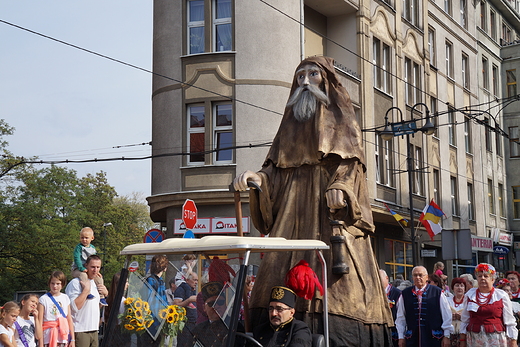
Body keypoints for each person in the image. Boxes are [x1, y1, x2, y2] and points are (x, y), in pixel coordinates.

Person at [233, 56, 393, 346]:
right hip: (290, 219)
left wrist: (342, 189)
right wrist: (256, 180)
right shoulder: (287, 132)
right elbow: (273, 173)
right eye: (300, 76)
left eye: (313, 75)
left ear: (327, 81)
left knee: (340, 286)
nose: (305, 81)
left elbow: (351, 168)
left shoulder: (344, 126)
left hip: (329, 220)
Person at [460, 263, 518, 347]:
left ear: (492, 279)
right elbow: (465, 320)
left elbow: (509, 321)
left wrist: (513, 341)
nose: (482, 278)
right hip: (474, 339)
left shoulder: (501, 295)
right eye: (480, 276)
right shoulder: (470, 295)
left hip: (496, 339)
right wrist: (462, 340)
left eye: (486, 276)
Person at [395, 266, 453, 347]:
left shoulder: (437, 293)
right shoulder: (405, 294)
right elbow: (401, 317)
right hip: (413, 338)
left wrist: (447, 335)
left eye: (420, 275)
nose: (418, 277)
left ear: (427, 277)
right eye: (415, 275)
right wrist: (401, 337)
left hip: (433, 338)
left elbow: (446, 315)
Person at [182, 282, 244, 347]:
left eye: (220, 302)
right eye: (211, 303)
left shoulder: (235, 326)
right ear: (204, 308)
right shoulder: (198, 330)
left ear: (225, 305)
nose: (216, 306)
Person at [65, 255, 108, 347]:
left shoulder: (96, 283)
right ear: (86, 266)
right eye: (92, 267)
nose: (95, 270)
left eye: (98, 267)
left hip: (94, 329)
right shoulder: (76, 283)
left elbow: (96, 306)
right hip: (80, 330)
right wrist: (85, 291)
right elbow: (73, 307)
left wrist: (106, 294)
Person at [70, 228, 107, 307]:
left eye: (86, 238)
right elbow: (77, 259)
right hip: (78, 269)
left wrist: (97, 271)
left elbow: (94, 260)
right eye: (82, 237)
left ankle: (101, 297)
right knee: (83, 276)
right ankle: (87, 292)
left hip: (88, 268)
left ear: (92, 238)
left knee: (99, 278)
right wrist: (81, 268)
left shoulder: (92, 248)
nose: (84, 240)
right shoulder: (78, 248)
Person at [39, 271, 75, 347]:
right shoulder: (43, 299)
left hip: (63, 336)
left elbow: (69, 319)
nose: (55, 286)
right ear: (49, 284)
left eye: (58, 284)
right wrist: (40, 343)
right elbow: (40, 322)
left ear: (62, 284)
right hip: (48, 336)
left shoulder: (65, 298)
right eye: (52, 283)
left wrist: (72, 339)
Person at [140, 255, 169, 347]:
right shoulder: (152, 280)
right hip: (152, 322)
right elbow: (148, 302)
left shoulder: (159, 281)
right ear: (164, 268)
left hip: (157, 321)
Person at [173, 272, 198, 346]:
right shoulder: (181, 289)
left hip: (194, 323)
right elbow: (176, 305)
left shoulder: (192, 290)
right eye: (194, 280)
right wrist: (188, 301)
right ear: (187, 280)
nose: (196, 282)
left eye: (197, 280)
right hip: (185, 325)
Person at [380, 269, 401, 347]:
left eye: (380, 278)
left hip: (394, 332)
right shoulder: (373, 294)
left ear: (387, 278)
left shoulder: (397, 293)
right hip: (380, 331)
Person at [447, 278, 467, 346]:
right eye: (457, 285)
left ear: (465, 288)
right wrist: (450, 317)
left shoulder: (469, 301)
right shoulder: (447, 301)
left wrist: (462, 317)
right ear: (452, 288)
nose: (459, 288)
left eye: (462, 286)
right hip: (450, 334)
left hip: (464, 334)